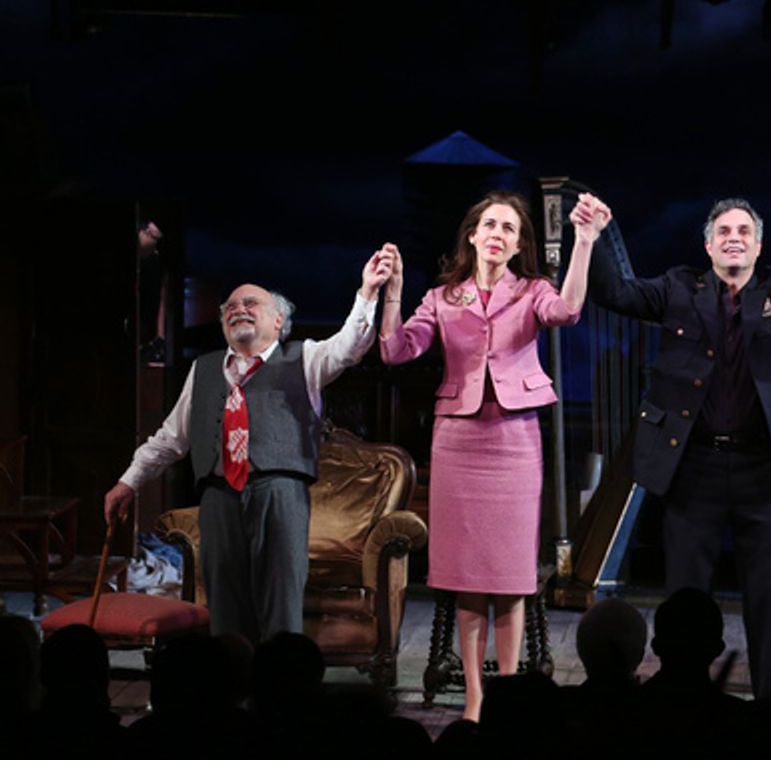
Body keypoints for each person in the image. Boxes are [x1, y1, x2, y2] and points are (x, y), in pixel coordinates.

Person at [575, 181, 771, 698]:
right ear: (708, 246)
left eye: (744, 231)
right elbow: (614, 293)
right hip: (693, 469)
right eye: (723, 231)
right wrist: (593, 239)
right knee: (687, 598)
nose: (733, 238)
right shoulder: (676, 288)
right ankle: (685, 698)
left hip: (764, 469)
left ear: (758, 246)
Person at [378, 190, 604, 722]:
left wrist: (585, 243)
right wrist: (391, 291)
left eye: (510, 228)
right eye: (491, 225)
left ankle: (506, 692)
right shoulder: (442, 298)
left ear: (518, 242)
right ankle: (476, 698)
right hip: (458, 442)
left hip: (514, 441)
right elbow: (395, 350)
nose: (499, 234)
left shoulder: (531, 291)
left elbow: (568, 310)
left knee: (510, 574)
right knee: (467, 574)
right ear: (473, 235)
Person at [104, 250, 393, 642]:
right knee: (225, 605)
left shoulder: (304, 358)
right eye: (230, 307)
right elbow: (171, 438)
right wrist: (128, 483)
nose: (239, 309)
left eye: (251, 303)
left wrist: (367, 292)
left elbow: (350, 346)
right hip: (219, 495)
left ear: (278, 321)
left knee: (279, 601)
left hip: (280, 493)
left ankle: (279, 691)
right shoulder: (204, 369)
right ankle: (232, 692)